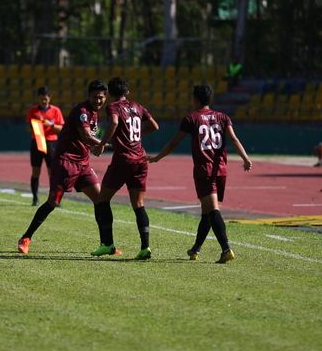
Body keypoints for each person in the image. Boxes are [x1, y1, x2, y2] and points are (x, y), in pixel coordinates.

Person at [148, 84, 252, 263]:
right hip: (221, 170)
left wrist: (157, 158)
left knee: (212, 210)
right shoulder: (223, 117)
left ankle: (226, 248)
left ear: (195, 99)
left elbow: (174, 143)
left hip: (205, 170)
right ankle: (195, 249)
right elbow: (234, 139)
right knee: (206, 211)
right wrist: (245, 158)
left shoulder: (191, 118)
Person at [17, 80, 120, 256]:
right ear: (88, 96)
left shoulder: (95, 113)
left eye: (101, 98)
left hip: (83, 164)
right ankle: (25, 238)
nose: (98, 100)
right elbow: (86, 136)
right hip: (65, 162)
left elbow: (88, 140)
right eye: (95, 97)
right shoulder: (82, 111)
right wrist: (107, 145)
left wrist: (95, 147)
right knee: (53, 202)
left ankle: (107, 244)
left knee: (101, 200)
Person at [91, 77, 159, 260]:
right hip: (140, 159)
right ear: (127, 92)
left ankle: (107, 244)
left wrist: (102, 144)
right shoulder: (138, 106)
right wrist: (134, 136)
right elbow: (154, 125)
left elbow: (113, 123)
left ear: (111, 94)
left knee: (102, 200)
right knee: (138, 205)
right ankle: (145, 247)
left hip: (123, 160)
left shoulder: (113, 107)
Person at [26, 86, 65, 206]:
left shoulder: (56, 111)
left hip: (51, 143)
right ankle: (35, 198)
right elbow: (29, 127)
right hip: (37, 141)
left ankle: (54, 199)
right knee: (36, 171)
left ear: (50, 98)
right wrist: (35, 127)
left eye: (46, 99)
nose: (44, 101)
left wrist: (51, 125)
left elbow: (62, 129)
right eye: (42, 99)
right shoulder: (33, 111)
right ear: (38, 98)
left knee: (53, 172)